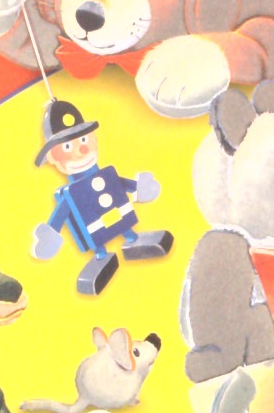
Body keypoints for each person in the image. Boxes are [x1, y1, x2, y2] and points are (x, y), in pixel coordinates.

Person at [31, 98, 172, 295]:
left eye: (83, 140)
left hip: (119, 215)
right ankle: (101, 256)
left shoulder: (107, 174)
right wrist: (50, 235)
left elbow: (121, 183)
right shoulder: (71, 194)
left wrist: (138, 187)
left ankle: (132, 238)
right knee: (98, 242)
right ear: (53, 157)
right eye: (68, 147)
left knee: (125, 226)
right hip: (95, 229)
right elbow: (61, 214)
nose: (81, 150)